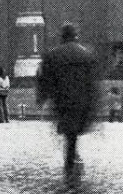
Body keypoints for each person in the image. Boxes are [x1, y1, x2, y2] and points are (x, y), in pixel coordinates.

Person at [36, 22, 99, 174]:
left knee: (69, 133)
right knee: (73, 133)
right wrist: (94, 103)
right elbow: (92, 82)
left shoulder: (52, 55)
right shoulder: (86, 54)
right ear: (75, 36)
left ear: (62, 37)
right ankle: (71, 158)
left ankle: (70, 161)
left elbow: (44, 79)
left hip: (62, 101)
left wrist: (42, 97)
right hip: (81, 101)